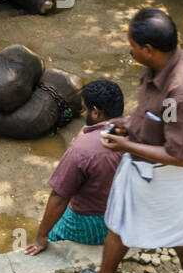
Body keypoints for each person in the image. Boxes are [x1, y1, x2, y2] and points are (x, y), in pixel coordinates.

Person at [53, 7, 183, 273]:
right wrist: (129, 127)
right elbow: (153, 113)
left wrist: (125, 144)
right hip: (150, 158)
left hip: (181, 169)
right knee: (120, 221)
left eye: (131, 44)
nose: (128, 49)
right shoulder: (159, 64)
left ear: (148, 49)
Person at [25, 79, 125, 253]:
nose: (84, 113)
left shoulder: (82, 149)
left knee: (54, 231)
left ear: (95, 113)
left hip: (91, 225)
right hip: (123, 218)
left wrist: (41, 237)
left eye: (85, 108)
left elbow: (59, 197)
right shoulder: (136, 134)